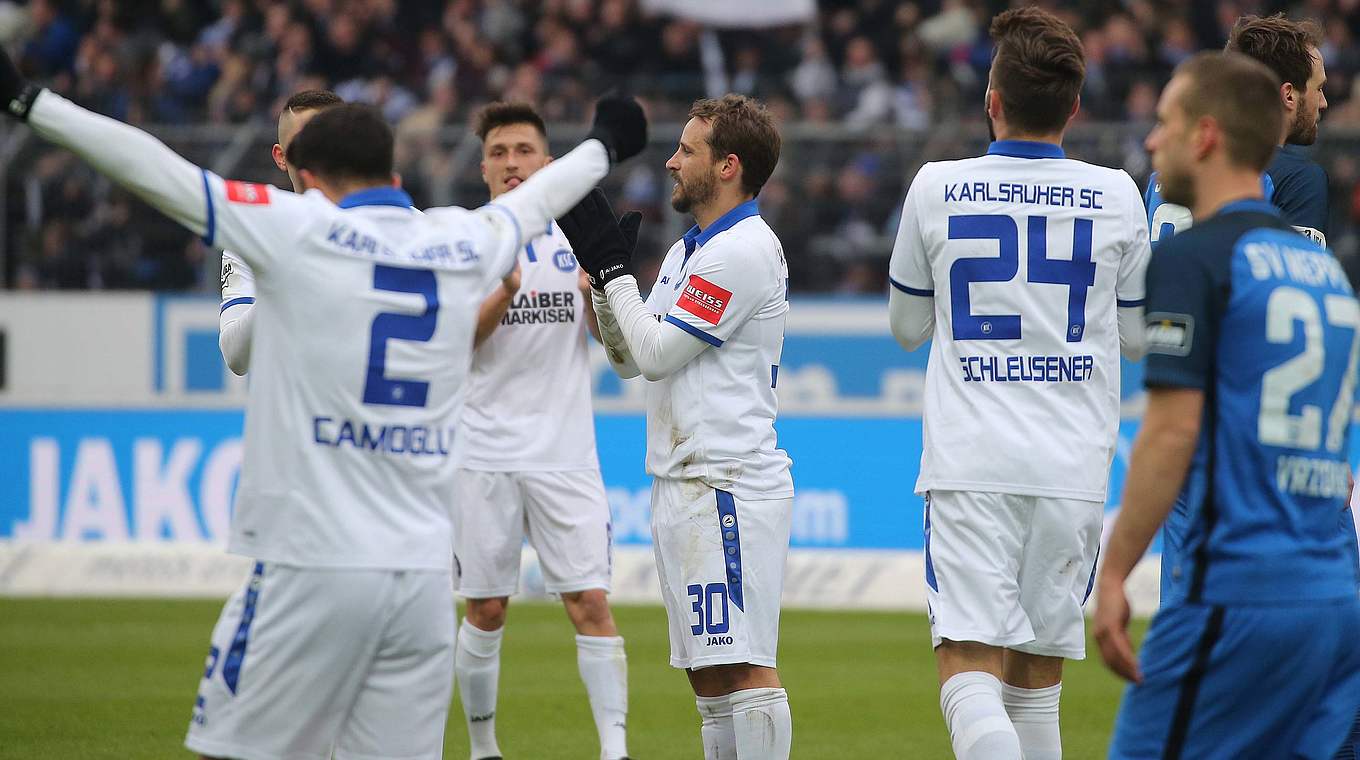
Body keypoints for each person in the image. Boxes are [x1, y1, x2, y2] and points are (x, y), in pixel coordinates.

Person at [0, 51, 646, 760]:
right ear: (395, 178)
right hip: (420, 585)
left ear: (304, 175)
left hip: (311, 562)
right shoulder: (460, 238)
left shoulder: (289, 227)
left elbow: (152, 167)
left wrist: (31, 103)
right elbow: (539, 200)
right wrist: (606, 143)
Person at [886, 8, 1149, 759]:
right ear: (1074, 107)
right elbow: (1134, 337)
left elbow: (906, 329)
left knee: (967, 668)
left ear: (991, 101)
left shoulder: (936, 185)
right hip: (1073, 467)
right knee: (1037, 682)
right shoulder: (1119, 194)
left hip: (974, 462)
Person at [1095, 51, 1360, 759]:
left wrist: (1115, 571)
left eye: (1165, 123)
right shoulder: (1324, 272)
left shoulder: (1195, 257)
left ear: (1205, 136)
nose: (1152, 142)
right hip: (1335, 596)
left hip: (1238, 594)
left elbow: (1172, 430)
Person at [563, 93, 793, 759]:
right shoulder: (690, 252)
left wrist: (614, 272)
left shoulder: (742, 250)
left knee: (744, 666)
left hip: (727, 480)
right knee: (710, 675)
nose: (670, 162)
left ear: (728, 166)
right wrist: (605, 291)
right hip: (684, 480)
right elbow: (634, 361)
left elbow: (659, 351)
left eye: (686, 150)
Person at [452, 101, 630, 760]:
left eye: (523, 150)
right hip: (482, 450)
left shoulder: (577, 239)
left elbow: (616, 348)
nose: (511, 163)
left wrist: (599, 292)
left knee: (589, 600)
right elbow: (450, 345)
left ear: (547, 163)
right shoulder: (465, 239)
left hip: (564, 450)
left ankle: (615, 750)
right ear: (483, 168)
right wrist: (505, 291)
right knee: (487, 607)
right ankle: (483, 748)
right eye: (498, 152)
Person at [1145, 14, 1329, 248]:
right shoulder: (1298, 179)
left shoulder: (1165, 174)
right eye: (1319, 88)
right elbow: (1293, 279)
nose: (1323, 102)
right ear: (1289, 95)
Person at [218, 89, 343, 375]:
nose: (318, 156)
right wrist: (284, 276)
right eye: (303, 145)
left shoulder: (400, 224)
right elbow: (236, 357)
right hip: (295, 414)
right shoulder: (254, 235)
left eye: (330, 143)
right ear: (281, 156)